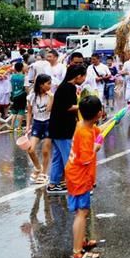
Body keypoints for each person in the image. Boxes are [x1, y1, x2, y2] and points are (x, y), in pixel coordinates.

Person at [65, 95, 106, 258]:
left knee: (81, 211)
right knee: (81, 213)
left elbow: (99, 131)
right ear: (99, 113)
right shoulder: (85, 133)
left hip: (75, 174)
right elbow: (86, 158)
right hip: (79, 176)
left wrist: (112, 123)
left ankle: (81, 240)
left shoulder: (82, 125)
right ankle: (77, 252)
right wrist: (97, 145)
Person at [47, 65, 87, 195]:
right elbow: (68, 107)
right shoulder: (69, 88)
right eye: (84, 76)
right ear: (78, 76)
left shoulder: (64, 86)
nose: (84, 79)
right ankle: (76, 185)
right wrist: (83, 105)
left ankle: (53, 184)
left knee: (58, 157)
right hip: (63, 129)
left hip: (56, 127)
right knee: (70, 158)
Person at [26, 74, 53, 184]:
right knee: (30, 149)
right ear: (41, 85)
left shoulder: (50, 95)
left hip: (48, 123)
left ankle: (44, 173)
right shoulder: (32, 96)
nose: (50, 85)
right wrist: (28, 126)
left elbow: (48, 110)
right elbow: (29, 112)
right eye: (48, 83)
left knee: (45, 151)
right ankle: (38, 168)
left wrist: (51, 97)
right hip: (37, 123)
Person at [10, 62, 27, 131]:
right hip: (22, 94)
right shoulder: (24, 77)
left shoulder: (12, 76)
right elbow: (26, 87)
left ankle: (11, 127)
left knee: (14, 111)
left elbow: (11, 86)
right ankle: (19, 127)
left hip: (14, 94)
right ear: (22, 68)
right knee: (21, 111)